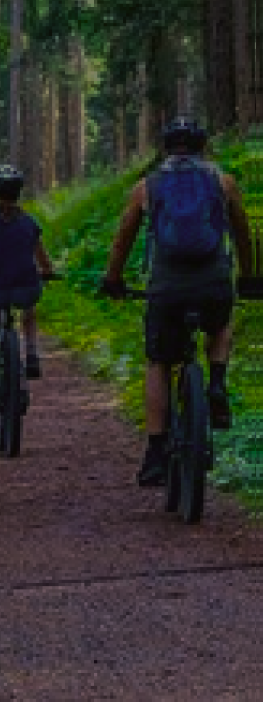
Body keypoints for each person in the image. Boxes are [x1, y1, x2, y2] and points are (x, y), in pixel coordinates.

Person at [100, 117, 255, 487]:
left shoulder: (147, 186)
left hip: (167, 285)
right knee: (220, 324)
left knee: (158, 361)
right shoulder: (222, 180)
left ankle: (155, 451)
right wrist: (249, 277)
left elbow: (123, 238)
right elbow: (243, 232)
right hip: (213, 279)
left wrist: (113, 279)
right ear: (202, 146)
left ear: (166, 147)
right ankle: (216, 382)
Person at [0, 164, 56, 435]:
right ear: (19, 193)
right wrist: (48, 272)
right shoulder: (29, 223)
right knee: (29, 306)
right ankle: (30, 352)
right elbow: (42, 260)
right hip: (24, 287)